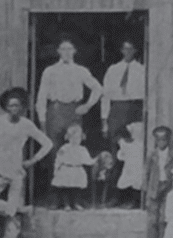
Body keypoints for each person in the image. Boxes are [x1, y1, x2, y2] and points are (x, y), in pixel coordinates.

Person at [0, 87, 54, 238]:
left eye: (17, 106)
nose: (14, 109)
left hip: (16, 170)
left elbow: (47, 143)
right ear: (5, 107)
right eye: (10, 105)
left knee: (13, 212)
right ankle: (23, 209)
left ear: (21, 107)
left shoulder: (26, 124)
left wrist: (32, 160)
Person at [35, 39, 103, 203]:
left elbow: (98, 88)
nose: (66, 52)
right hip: (55, 111)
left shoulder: (80, 70)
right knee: (54, 152)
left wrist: (87, 105)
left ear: (74, 51)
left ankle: (75, 198)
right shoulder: (49, 71)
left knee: (75, 151)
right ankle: (55, 197)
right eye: (63, 49)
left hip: (74, 111)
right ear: (58, 51)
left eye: (69, 49)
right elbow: (42, 96)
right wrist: (42, 121)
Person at [96, 41, 146, 145]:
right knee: (115, 142)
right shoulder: (113, 69)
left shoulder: (142, 70)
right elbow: (105, 96)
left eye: (130, 49)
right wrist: (104, 120)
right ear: (122, 50)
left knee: (135, 142)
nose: (128, 52)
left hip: (135, 108)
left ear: (135, 51)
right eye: (125, 49)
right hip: (117, 110)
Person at [50, 123, 95, 211]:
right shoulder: (64, 148)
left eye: (77, 138)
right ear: (68, 138)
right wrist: (56, 168)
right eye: (72, 138)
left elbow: (87, 160)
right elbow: (58, 159)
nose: (75, 140)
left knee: (76, 188)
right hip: (66, 169)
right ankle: (66, 204)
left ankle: (75, 203)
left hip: (77, 169)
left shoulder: (82, 149)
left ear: (81, 138)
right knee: (65, 188)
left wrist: (94, 161)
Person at [115, 122, 145, 209]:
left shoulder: (141, 144)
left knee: (137, 183)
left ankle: (135, 203)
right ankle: (121, 201)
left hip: (138, 166)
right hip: (129, 166)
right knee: (123, 182)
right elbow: (121, 156)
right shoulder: (126, 144)